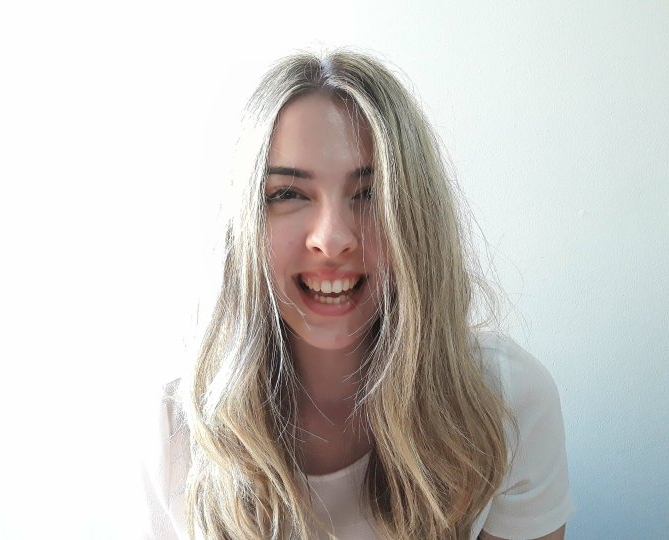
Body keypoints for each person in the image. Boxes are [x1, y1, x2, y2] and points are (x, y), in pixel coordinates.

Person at [141, 50, 574, 539]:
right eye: (288, 194)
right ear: (244, 225)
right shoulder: (177, 428)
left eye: (370, 192)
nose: (332, 239)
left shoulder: (506, 401)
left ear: (417, 218)